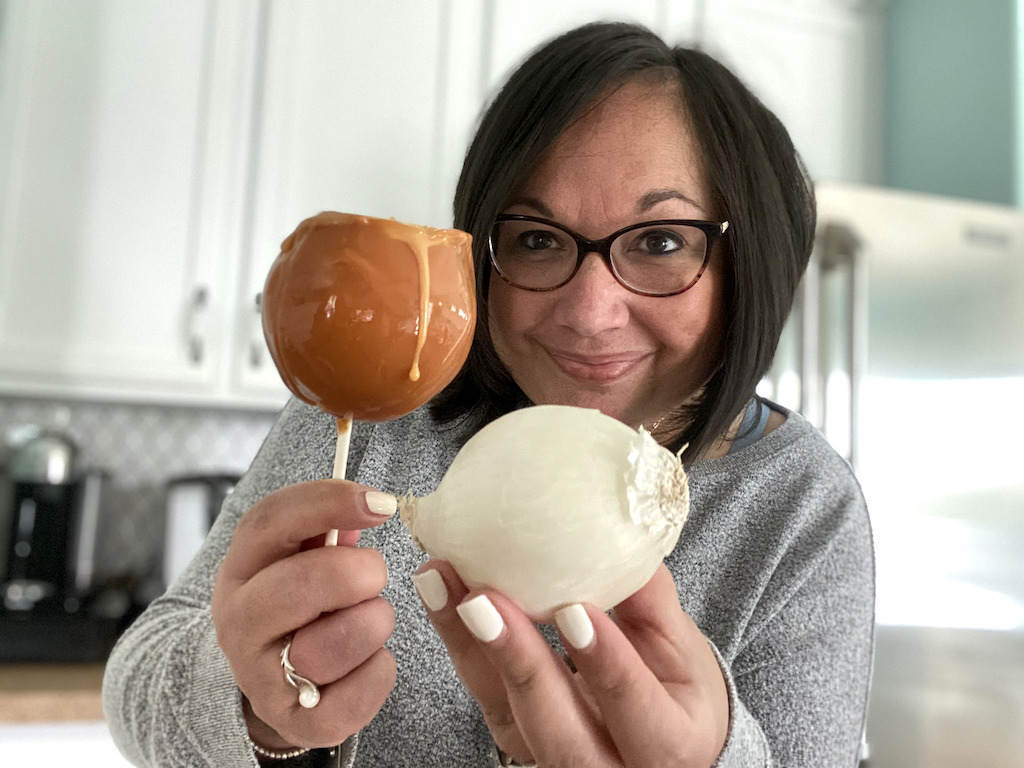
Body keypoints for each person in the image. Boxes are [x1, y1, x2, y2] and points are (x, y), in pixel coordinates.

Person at [103, 21, 873, 768]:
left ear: (751, 261)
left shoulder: (801, 508)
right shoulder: (380, 413)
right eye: (536, 239)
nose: (590, 311)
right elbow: (139, 676)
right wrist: (251, 709)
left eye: (661, 242)